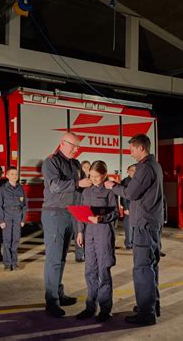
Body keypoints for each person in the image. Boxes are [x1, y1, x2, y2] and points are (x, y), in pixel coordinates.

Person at [105, 134, 164, 326]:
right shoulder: (155, 165)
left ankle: (146, 314)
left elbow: (130, 193)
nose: (130, 153)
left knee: (142, 268)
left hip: (144, 224)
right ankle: (152, 306)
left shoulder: (144, 168)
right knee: (151, 265)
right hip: (152, 223)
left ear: (141, 148)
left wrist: (114, 186)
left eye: (131, 149)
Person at [41, 132, 92, 318]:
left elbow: (79, 194)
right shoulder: (51, 162)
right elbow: (54, 185)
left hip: (71, 213)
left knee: (61, 258)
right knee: (54, 259)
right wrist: (78, 182)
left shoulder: (75, 164)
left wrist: (82, 221)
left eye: (78, 147)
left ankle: (58, 293)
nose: (76, 150)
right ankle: (51, 300)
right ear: (63, 143)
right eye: (74, 146)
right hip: (54, 213)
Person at [75, 160, 119, 322]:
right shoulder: (86, 192)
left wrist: (101, 218)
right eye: (91, 176)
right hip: (89, 234)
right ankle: (90, 307)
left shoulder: (109, 192)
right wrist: (80, 232)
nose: (93, 179)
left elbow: (115, 213)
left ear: (104, 175)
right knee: (89, 271)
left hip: (103, 233)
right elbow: (82, 212)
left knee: (103, 272)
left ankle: (105, 310)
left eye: (96, 177)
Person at [0, 166, 27, 271]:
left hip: (18, 216)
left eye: (16, 174)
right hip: (7, 215)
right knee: (7, 240)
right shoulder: (3, 189)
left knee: (16, 240)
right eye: (12, 174)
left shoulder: (20, 188)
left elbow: (24, 205)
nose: (14, 176)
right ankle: (7, 264)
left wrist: (23, 219)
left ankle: (14, 263)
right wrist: (1, 220)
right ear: (7, 175)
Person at [120, 164, 136, 250]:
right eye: (132, 170)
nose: (134, 172)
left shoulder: (136, 181)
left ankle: (133, 242)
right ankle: (128, 244)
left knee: (135, 226)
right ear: (128, 171)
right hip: (129, 206)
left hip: (136, 206)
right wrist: (125, 208)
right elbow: (123, 196)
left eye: (135, 170)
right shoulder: (126, 181)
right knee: (129, 226)